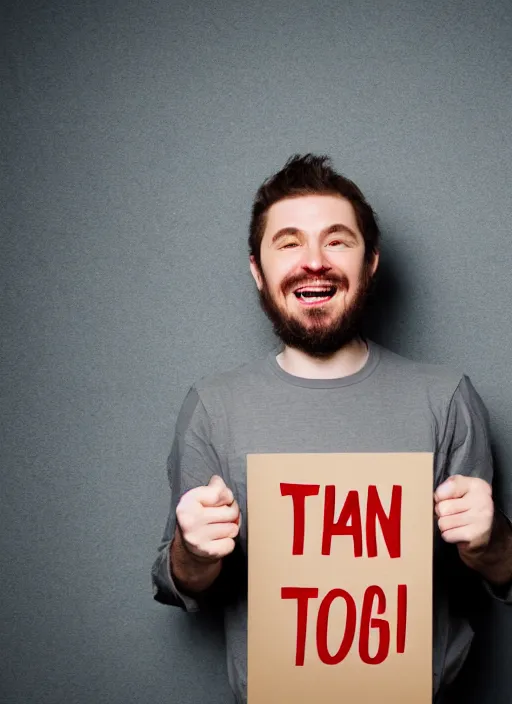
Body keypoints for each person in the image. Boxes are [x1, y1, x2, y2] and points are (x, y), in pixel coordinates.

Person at [151, 154, 512, 704]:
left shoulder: (447, 398)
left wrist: (492, 540)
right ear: (258, 269)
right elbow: (181, 582)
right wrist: (194, 552)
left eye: (337, 241)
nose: (313, 261)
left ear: (369, 265)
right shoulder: (213, 406)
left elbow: (502, 573)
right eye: (289, 242)